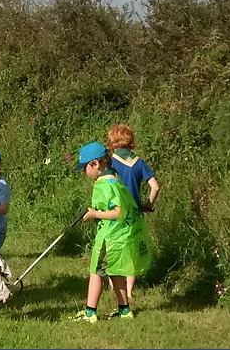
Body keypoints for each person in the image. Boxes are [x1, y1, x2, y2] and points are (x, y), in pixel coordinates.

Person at [70, 142, 150, 324]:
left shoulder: (107, 184)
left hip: (110, 238)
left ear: (96, 164)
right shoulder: (113, 177)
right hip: (118, 236)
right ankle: (125, 310)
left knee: (96, 272)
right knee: (116, 273)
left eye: (85, 168)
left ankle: (90, 313)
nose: (84, 173)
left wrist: (95, 214)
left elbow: (118, 211)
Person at [107, 123, 160, 300]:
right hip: (135, 214)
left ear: (112, 141)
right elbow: (155, 187)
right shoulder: (139, 162)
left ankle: (113, 286)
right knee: (132, 250)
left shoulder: (111, 163)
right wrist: (148, 204)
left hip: (115, 213)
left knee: (113, 248)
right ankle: (129, 291)